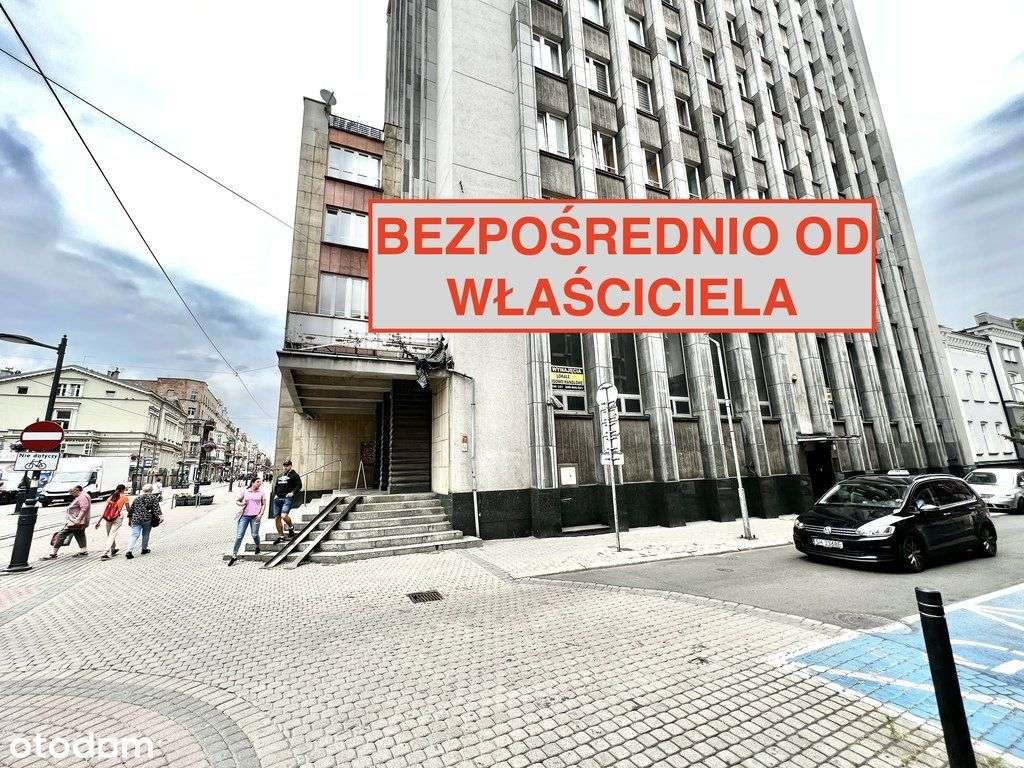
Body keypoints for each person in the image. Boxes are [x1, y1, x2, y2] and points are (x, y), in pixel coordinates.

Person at [43, 485, 91, 559]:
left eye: (72, 492)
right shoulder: (83, 495)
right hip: (78, 520)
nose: (71, 494)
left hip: (75, 521)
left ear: (77, 490)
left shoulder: (82, 497)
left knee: (61, 534)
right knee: (79, 533)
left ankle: (54, 553)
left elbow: (84, 508)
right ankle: (83, 551)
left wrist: (78, 519)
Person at [228, 477, 266, 566]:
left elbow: (264, 504)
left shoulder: (261, 493)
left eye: (260, 482)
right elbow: (237, 501)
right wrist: (242, 503)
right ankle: (234, 555)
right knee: (239, 536)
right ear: (252, 483)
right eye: (257, 482)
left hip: (255, 516)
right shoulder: (245, 491)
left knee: (254, 534)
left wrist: (260, 514)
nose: (259, 484)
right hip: (244, 516)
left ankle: (257, 546)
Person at [125, 484, 162, 560]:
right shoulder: (153, 498)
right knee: (145, 534)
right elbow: (156, 509)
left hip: (136, 519)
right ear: (151, 490)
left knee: (134, 535)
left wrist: (130, 519)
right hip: (147, 519)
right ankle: (144, 549)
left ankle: (129, 551)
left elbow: (132, 509)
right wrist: (160, 517)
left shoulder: (137, 498)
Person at [95, 484, 130, 559]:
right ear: (123, 490)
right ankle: (105, 553)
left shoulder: (111, 497)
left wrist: (99, 521)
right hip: (118, 517)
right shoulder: (125, 497)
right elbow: (128, 509)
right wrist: (132, 515)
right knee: (112, 534)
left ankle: (113, 549)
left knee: (110, 534)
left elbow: (105, 510)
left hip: (108, 517)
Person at [270, 460, 300, 543]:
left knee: (283, 515)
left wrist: (292, 493)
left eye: (287, 465)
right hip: (278, 498)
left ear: (290, 466)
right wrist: (276, 494)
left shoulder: (294, 475)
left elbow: (299, 485)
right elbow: (276, 486)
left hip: (287, 498)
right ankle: (281, 536)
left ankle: (291, 527)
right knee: (277, 518)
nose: (285, 467)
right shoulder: (280, 476)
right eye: (284, 465)